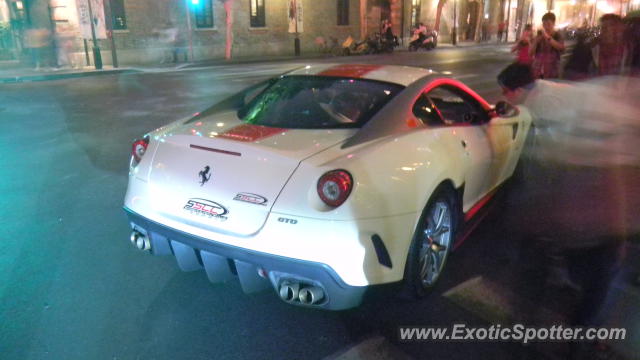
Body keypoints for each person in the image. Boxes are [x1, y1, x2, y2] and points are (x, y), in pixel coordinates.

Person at [498, 62, 640, 356]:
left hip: (571, 205)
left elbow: (566, 162)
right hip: (578, 207)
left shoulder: (560, 105)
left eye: (506, 91)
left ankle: (535, 329)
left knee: (545, 269)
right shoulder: (560, 97)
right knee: (594, 280)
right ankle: (575, 334)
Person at [530, 12, 565, 79]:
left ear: (553, 24)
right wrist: (535, 42)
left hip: (552, 70)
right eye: (544, 24)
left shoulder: (557, 35)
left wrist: (548, 38)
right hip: (538, 70)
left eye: (548, 24)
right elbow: (530, 53)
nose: (546, 27)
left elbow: (561, 48)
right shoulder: (539, 36)